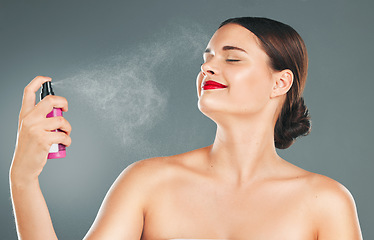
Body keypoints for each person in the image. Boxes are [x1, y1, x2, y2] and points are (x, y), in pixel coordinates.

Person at [10, 17, 362, 240]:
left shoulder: (326, 203)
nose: (208, 69)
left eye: (232, 58)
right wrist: (23, 180)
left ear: (280, 82)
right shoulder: (148, 182)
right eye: (206, 60)